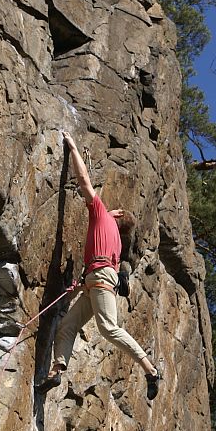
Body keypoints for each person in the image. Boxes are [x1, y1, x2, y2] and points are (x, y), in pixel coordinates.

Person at [38, 132, 161, 400]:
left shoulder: (102, 215)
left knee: (109, 329)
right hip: (97, 281)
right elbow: (102, 265)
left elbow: (83, 181)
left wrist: (72, 148)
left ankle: (150, 370)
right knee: (67, 325)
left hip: (101, 279)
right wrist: (83, 283)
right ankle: (56, 370)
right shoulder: (115, 242)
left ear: (116, 215)